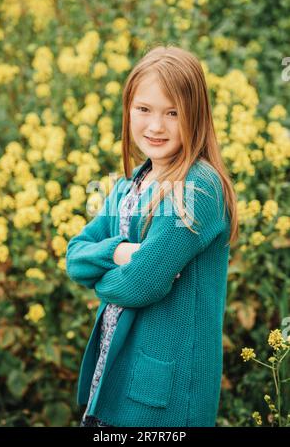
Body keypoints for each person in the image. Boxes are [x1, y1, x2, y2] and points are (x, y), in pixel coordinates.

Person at [66, 45, 239, 427]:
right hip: (112, 376)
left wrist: (106, 270)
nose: (156, 126)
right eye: (144, 109)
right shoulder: (131, 184)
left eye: (173, 113)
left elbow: (142, 285)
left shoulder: (198, 188)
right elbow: (74, 256)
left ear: (196, 115)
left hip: (163, 397)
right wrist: (121, 252)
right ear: (128, 109)